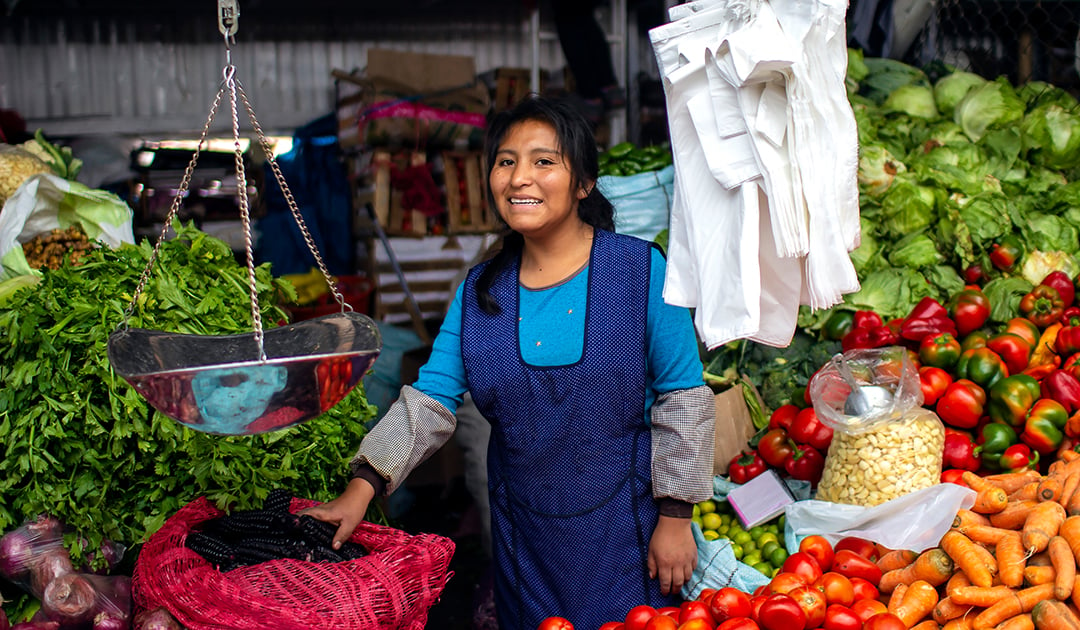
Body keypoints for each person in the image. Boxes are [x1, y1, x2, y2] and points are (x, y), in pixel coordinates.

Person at [301, 95, 714, 629]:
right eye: (506, 161)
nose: (520, 178)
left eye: (544, 161)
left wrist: (676, 518)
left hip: (627, 537)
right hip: (527, 543)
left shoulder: (640, 270)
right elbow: (429, 401)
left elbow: (683, 397)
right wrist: (362, 488)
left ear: (584, 182)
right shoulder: (480, 290)